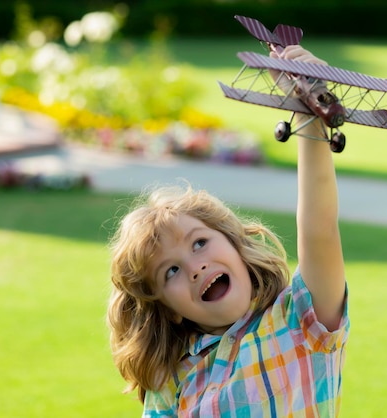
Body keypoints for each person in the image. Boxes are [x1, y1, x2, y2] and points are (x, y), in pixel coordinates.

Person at [107, 45, 349, 417]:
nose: (194, 267)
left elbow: (319, 230)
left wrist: (309, 117)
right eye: (170, 270)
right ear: (168, 309)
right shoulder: (171, 381)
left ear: (237, 247)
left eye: (200, 243)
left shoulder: (299, 319)